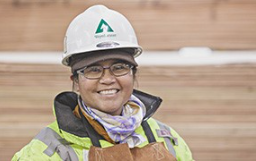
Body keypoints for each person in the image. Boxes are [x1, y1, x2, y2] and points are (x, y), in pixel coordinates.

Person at [12, 5, 193, 161]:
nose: (107, 79)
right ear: (75, 81)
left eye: (119, 67)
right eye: (93, 69)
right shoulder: (44, 151)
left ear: (133, 74)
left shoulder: (168, 140)